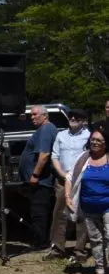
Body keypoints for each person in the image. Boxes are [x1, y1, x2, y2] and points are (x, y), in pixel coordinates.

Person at [48, 109, 91, 262]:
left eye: (77, 117)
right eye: (71, 116)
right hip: (62, 179)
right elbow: (55, 156)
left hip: (82, 180)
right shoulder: (61, 135)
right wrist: (62, 173)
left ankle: (80, 250)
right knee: (59, 213)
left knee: (82, 215)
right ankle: (57, 247)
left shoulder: (89, 136)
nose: (73, 118)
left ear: (84, 120)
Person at [66, 128, 109, 274]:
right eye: (93, 139)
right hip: (88, 207)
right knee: (96, 240)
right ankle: (100, 269)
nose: (94, 143)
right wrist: (67, 195)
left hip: (107, 206)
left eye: (99, 140)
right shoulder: (84, 158)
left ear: (106, 143)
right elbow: (70, 177)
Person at [20, 105, 58, 249]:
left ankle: (41, 242)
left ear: (45, 115)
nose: (32, 117)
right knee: (38, 211)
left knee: (39, 212)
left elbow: (44, 155)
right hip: (39, 181)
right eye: (31, 115)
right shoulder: (43, 130)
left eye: (35, 114)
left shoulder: (46, 129)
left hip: (42, 181)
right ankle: (39, 239)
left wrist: (35, 175)